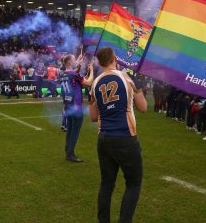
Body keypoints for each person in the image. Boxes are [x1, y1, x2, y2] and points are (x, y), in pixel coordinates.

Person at [89, 47, 147, 223]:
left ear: (99, 62)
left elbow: (93, 117)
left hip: (104, 138)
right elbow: (143, 108)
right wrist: (139, 89)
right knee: (133, 183)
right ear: (115, 58)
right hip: (125, 137)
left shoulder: (95, 82)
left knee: (107, 184)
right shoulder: (127, 78)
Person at [59, 54, 94, 162]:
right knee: (75, 131)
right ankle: (70, 154)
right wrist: (91, 70)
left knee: (70, 129)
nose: (75, 61)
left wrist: (79, 62)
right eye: (74, 60)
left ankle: (67, 148)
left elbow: (75, 73)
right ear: (69, 62)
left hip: (68, 105)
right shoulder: (74, 74)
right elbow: (88, 82)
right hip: (76, 106)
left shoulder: (64, 74)